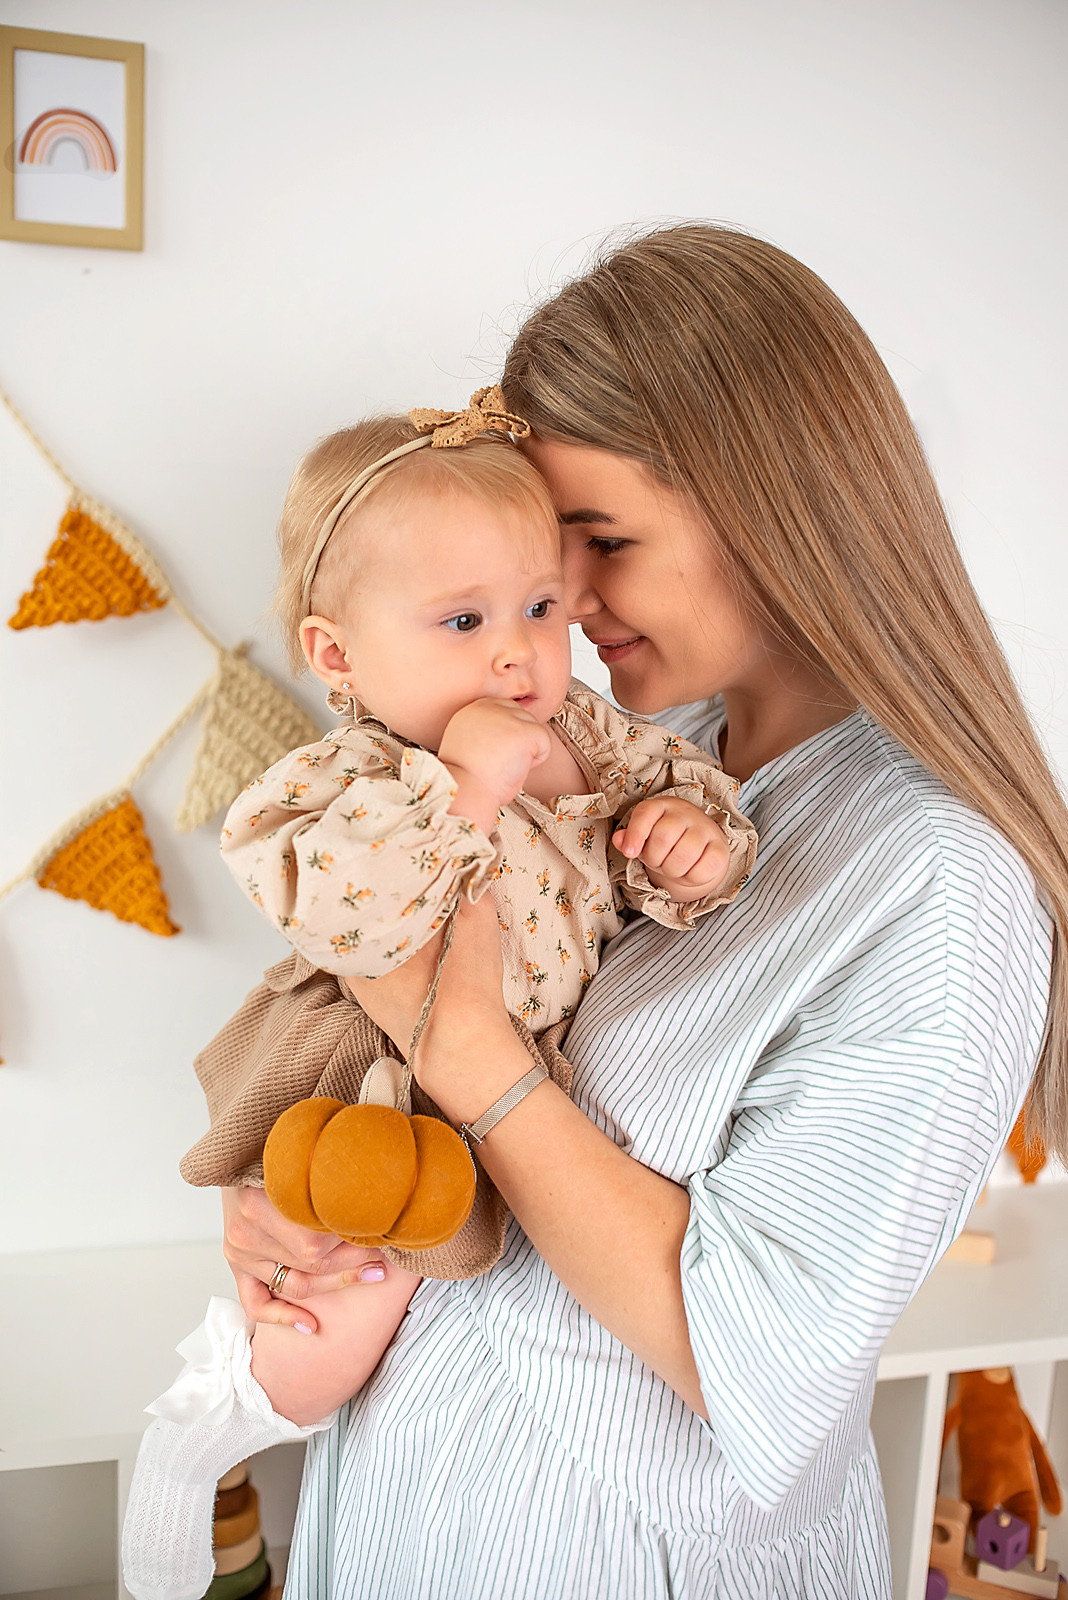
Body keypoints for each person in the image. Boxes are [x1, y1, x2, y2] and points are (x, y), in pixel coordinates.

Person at [220, 224, 1067, 1600]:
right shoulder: (627, 762)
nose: (560, 620)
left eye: (599, 546)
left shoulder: (936, 878)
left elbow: (755, 1353)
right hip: (407, 1503)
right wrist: (314, 1209)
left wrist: (458, 1044)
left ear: (768, 503)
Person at [121, 389, 756, 1600]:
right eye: (462, 619)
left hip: (507, 1077)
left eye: (539, 608)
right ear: (338, 654)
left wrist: (690, 843)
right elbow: (346, 911)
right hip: (372, 1076)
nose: (516, 652)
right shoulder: (351, 770)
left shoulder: (588, 730)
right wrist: (463, 785)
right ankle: (208, 1433)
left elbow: (686, 789)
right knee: (338, 1326)